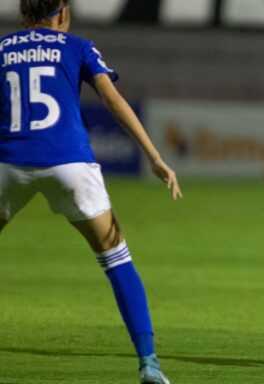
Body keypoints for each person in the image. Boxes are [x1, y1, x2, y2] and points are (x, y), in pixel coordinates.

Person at [0, 1, 181, 383]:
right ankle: (149, 364)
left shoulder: (2, 48)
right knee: (116, 259)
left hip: (8, 163)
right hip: (70, 163)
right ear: (62, 12)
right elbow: (112, 101)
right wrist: (154, 156)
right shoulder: (78, 46)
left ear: (22, 14)